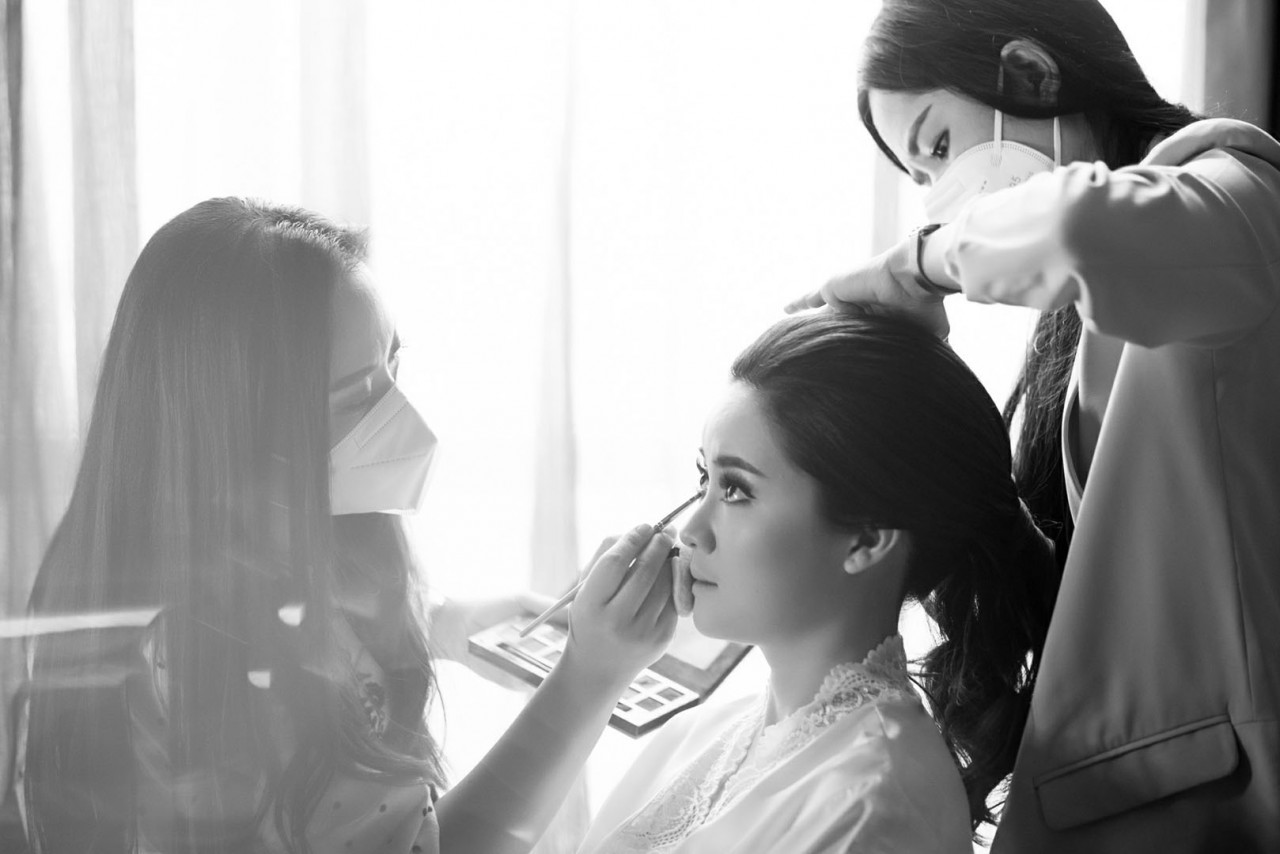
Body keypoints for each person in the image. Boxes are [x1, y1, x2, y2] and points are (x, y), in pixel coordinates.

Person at [16, 198, 678, 854]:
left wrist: (446, 623)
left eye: (394, 366)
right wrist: (587, 682)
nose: (405, 419)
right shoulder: (201, 673)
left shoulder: (261, 560)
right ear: (232, 430)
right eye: (358, 394)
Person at [787, 1, 1280, 850]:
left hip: (1219, 803)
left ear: (1032, 74)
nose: (942, 197)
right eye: (920, 178)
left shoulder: (1244, 198)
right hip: (1133, 788)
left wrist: (918, 264)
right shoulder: (1085, 324)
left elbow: (1077, 225)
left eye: (940, 145)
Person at [576, 313, 1060, 853]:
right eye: (704, 479)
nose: (691, 531)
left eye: (736, 490)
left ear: (866, 539)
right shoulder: (697, 735)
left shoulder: (873, 805)